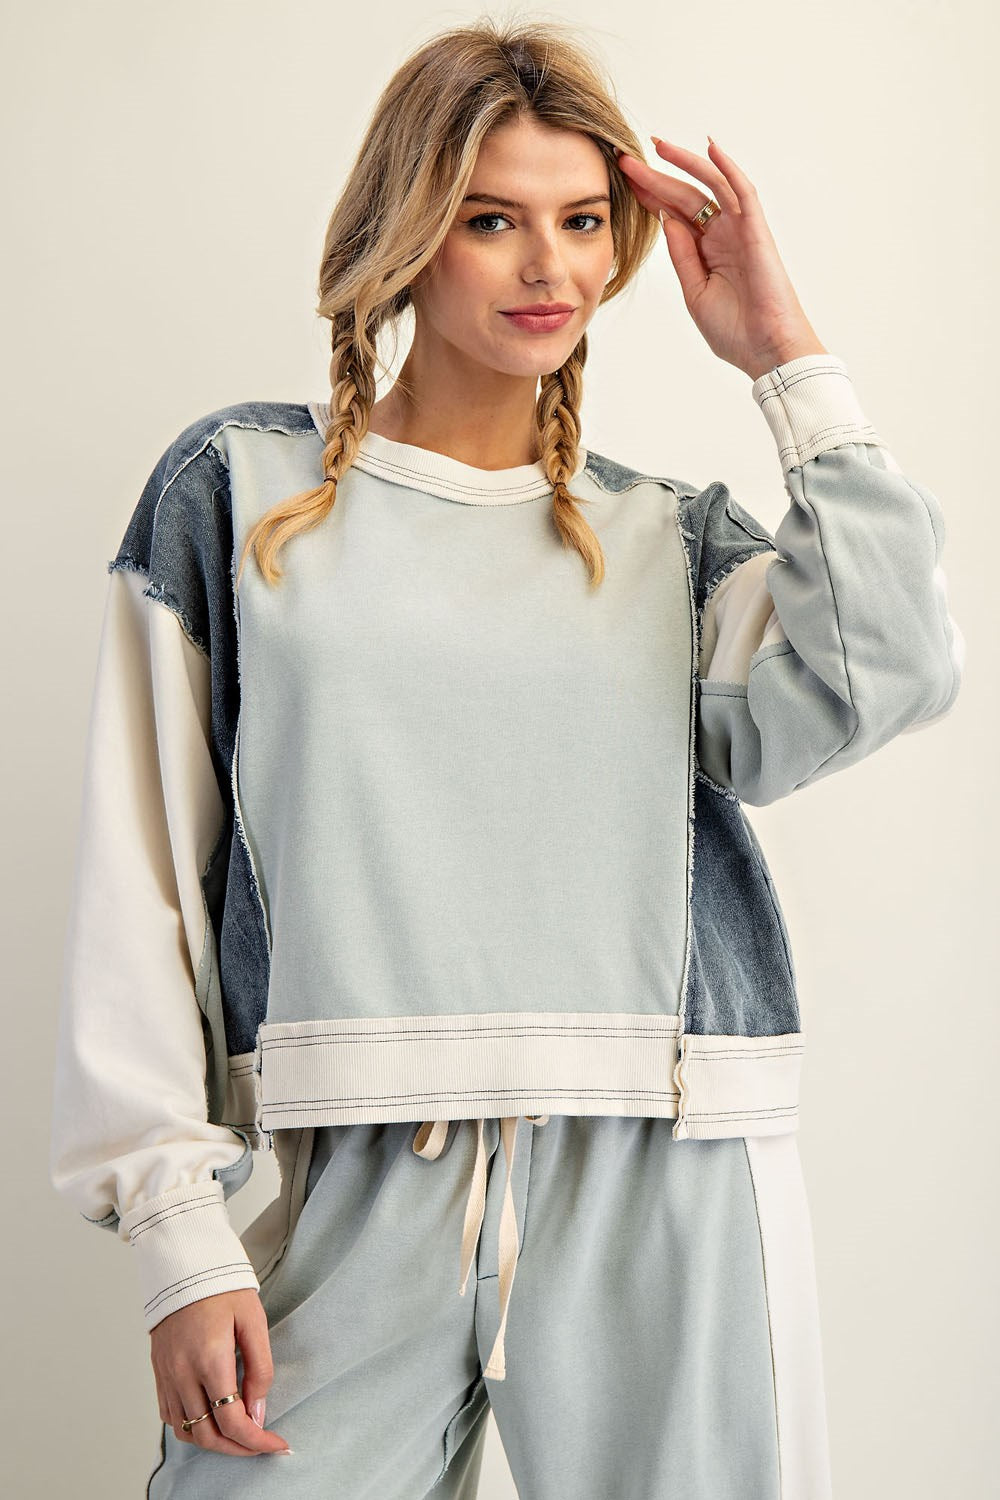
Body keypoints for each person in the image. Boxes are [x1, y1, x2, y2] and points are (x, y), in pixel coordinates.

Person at [48, 16, 964, 1498]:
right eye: (492, 220)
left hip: (667, 1165)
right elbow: (142, 873)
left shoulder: (674, 542)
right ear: (409, 233)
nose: (548, 266)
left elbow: (899, 666)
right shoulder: (237, 495)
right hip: (352, 1181)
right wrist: (175, 1236)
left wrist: (786, 357)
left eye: (582, 221)